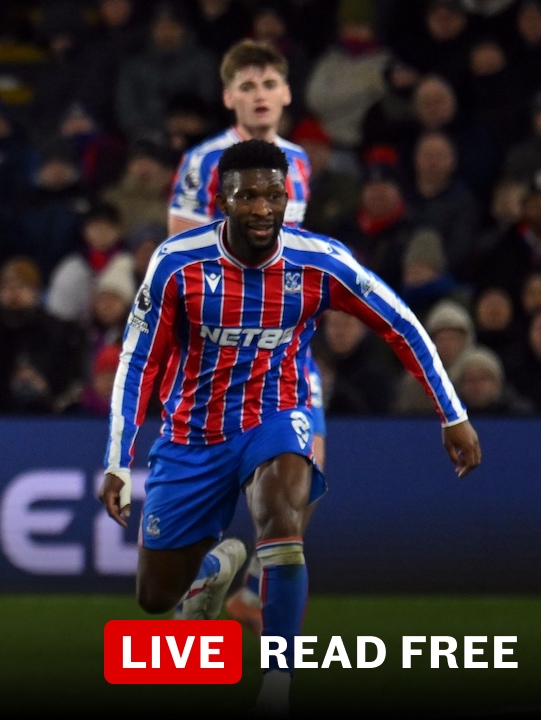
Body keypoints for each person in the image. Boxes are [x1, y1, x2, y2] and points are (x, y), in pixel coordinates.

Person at [99, 140, 480, 716]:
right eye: (246, 194)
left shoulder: (319, 260)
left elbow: (400, 323)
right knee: (156, 599)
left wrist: (452, 413)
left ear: (288, 197)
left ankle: (278, 684)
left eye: (273, 194)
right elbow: (138, 362)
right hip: (191, 434)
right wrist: (117, 459)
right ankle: (210, 570)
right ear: (220, 200)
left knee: (283, 515)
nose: (261, 207)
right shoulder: (178, 264)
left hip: (277, 415)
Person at [165, 39, 325, 635]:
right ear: (229, 96)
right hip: (221, 349)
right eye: (247, 86)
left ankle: (255, 595)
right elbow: (177, 248)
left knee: (304, 478)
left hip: (289, 349)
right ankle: (209, 568)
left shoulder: (300, 161)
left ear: (286, 93)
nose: (259, 96)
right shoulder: (205, 161)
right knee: (216, 486)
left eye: (269, 84)